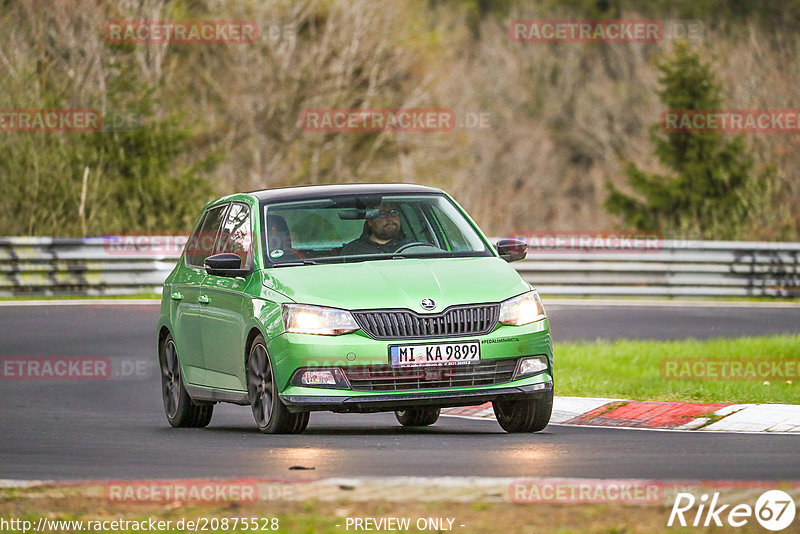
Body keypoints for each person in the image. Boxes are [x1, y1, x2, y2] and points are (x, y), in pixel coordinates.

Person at [341, 203, 414, 255]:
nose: (389, 218)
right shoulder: (354, 249)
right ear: (370, 221)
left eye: (394, 212)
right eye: (381, 214)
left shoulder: (413, 246)